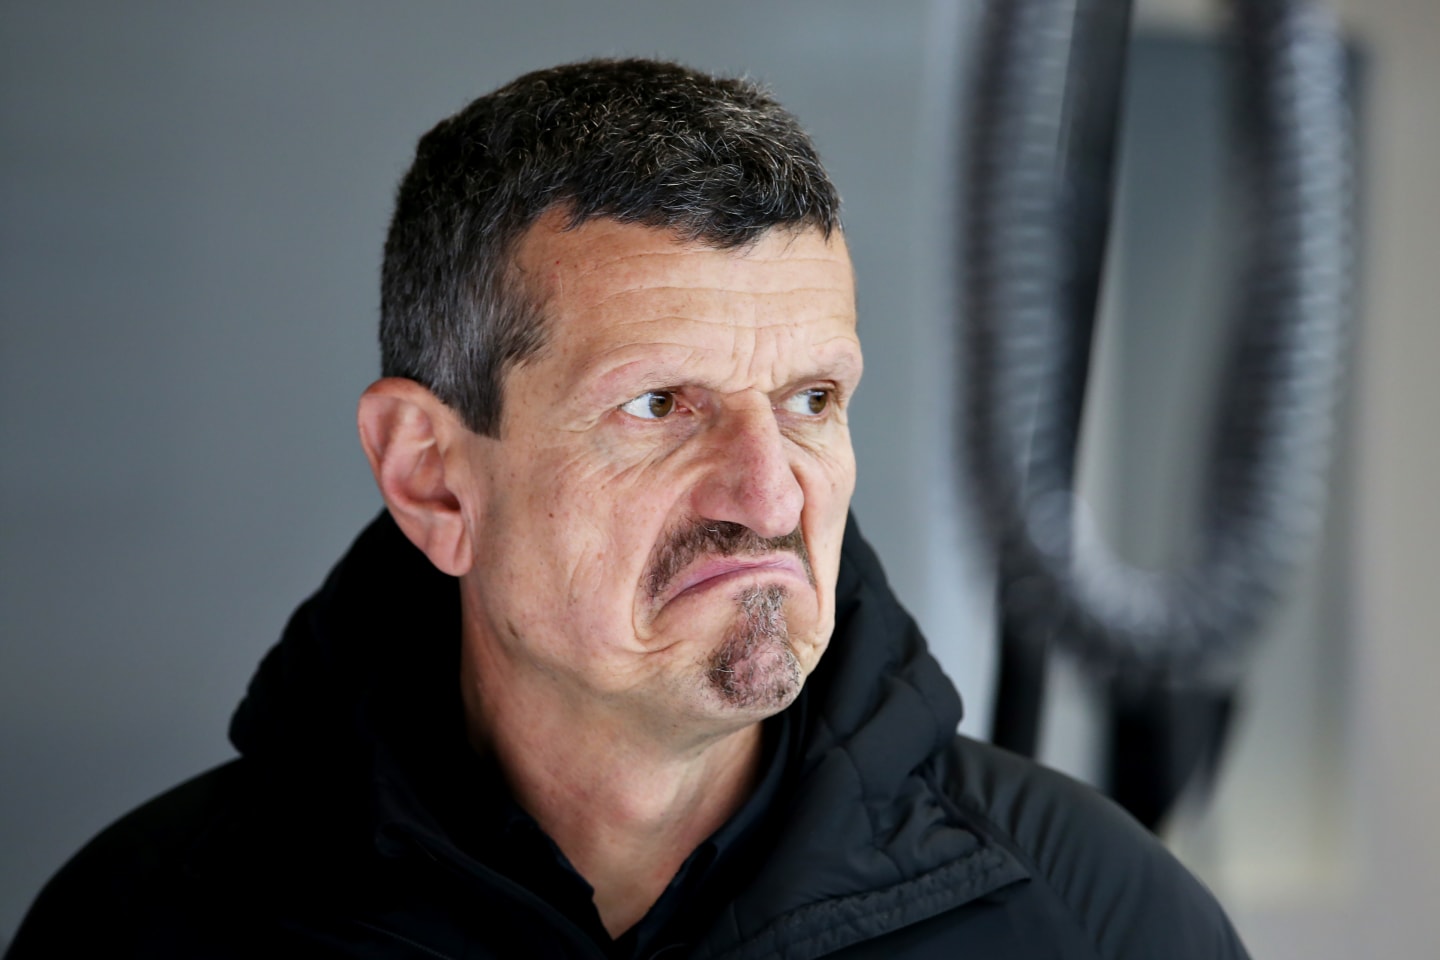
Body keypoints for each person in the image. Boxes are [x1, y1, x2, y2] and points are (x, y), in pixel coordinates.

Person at [7, 58, 1249, 959]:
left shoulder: (1096, 921)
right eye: (660, 405)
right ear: (431, 475)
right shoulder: (143, 933)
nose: (771, 495)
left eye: (813, 398)